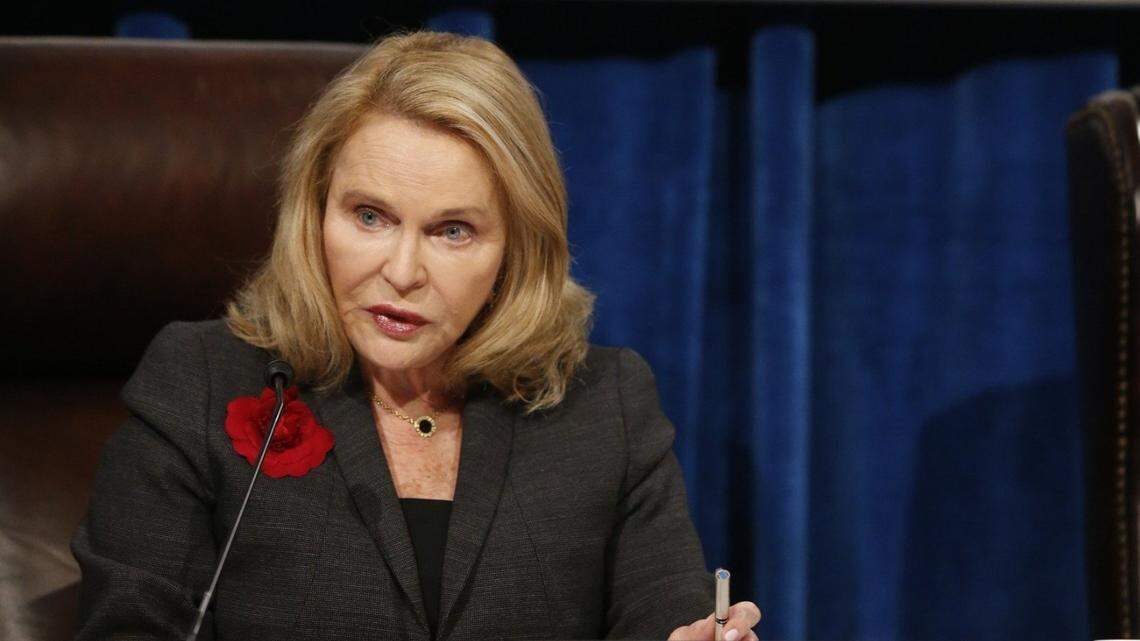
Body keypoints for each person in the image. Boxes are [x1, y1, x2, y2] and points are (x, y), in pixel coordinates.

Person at [71, 30, 761, 640]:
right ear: (314, 211)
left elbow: (663, 609)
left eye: (452, 230)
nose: (401, 271)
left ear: (514, 250)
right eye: (369, 216)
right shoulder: (201, 379)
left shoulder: (604, 405)